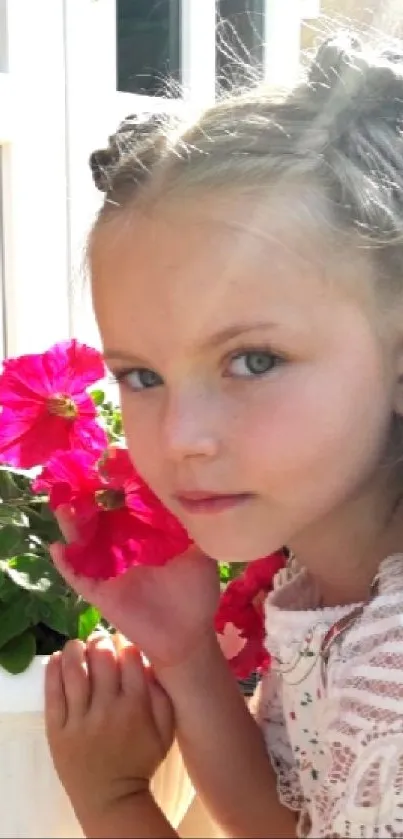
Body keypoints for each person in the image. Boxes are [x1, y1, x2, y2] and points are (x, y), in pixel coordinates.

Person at [44, 31, 403, 838]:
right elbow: (293, 822)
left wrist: (115, 805)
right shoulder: (335, 590)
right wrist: (185, 654)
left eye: (252, 358)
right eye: (141, 376)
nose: (182, 436)